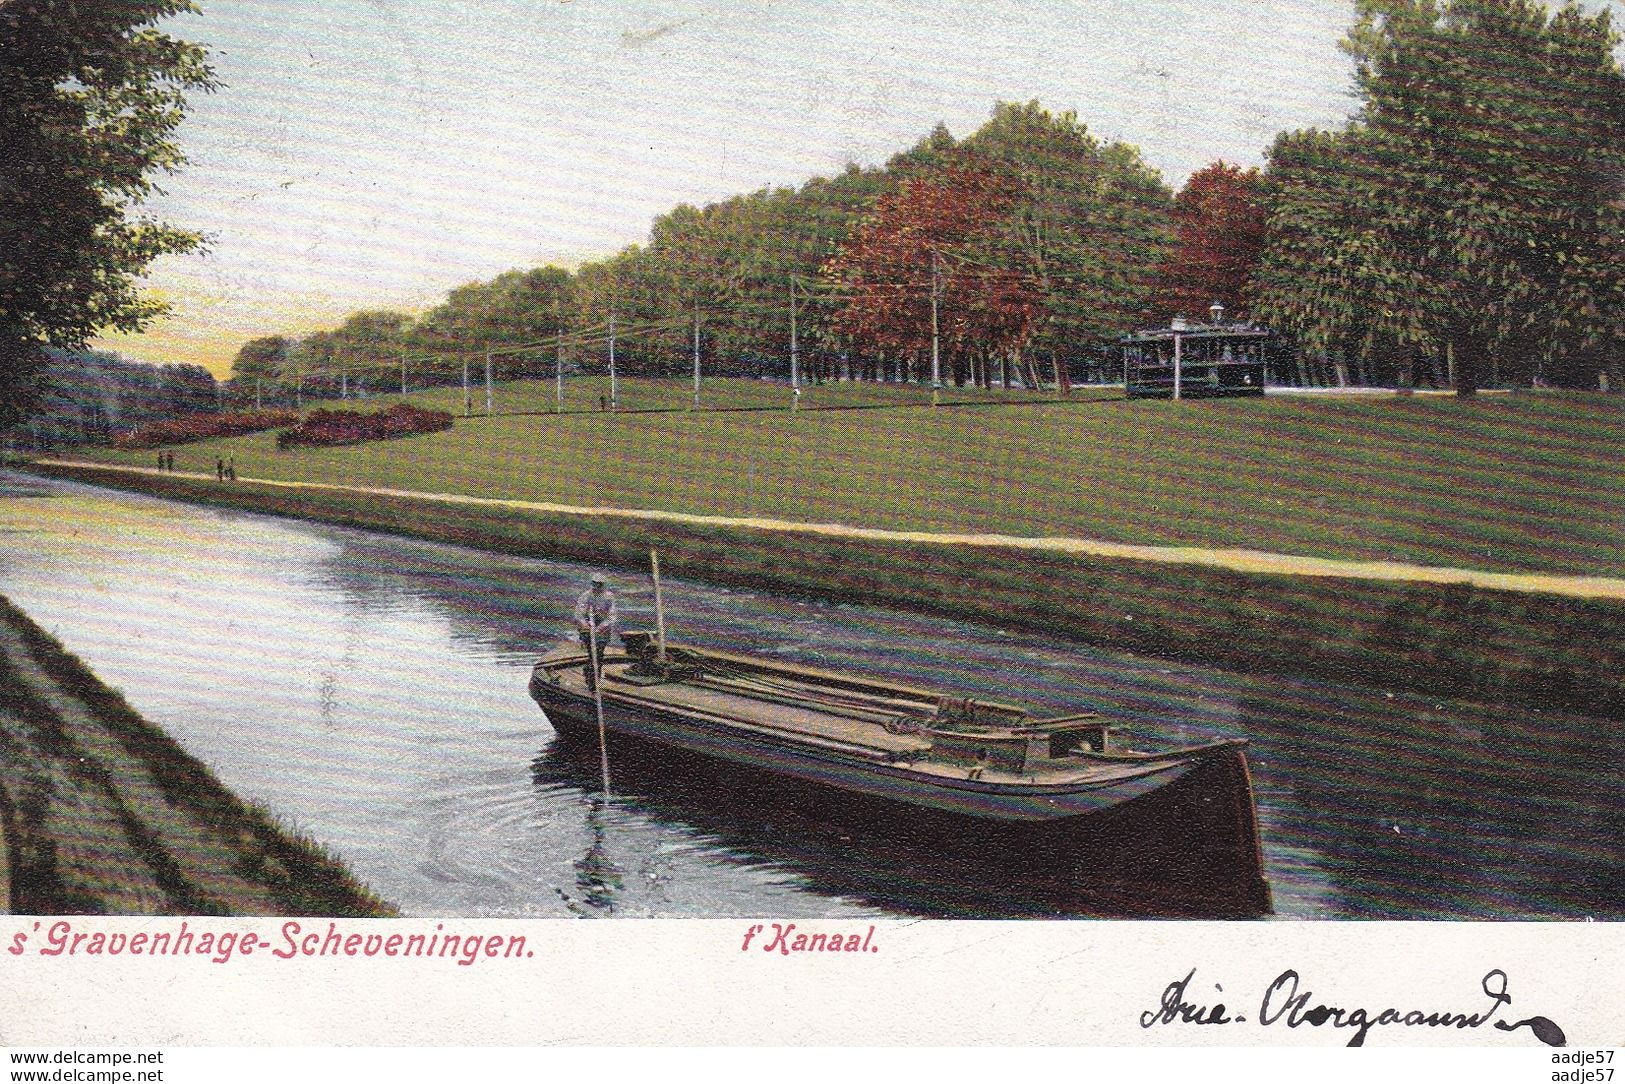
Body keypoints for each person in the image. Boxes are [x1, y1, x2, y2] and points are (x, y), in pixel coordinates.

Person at [573, 573, 617, 690]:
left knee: (598, 655)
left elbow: (611, 617)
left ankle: (593, 680)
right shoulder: (585, 596)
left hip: (602, 630)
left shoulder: (609, 597)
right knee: (592, 654)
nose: (596, 587)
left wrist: (600, 628)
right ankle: (591, 677)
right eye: (594, 584)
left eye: (599, 585)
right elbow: (579, 614)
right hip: (587, 628)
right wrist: (586, 625)